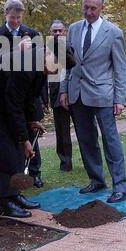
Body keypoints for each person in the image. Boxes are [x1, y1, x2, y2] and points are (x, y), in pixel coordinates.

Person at [0, 39, 74, 218]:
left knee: (13, 148)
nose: (57, 71)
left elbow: (29, 98)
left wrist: (32, 121)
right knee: (5, 148)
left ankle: (14, 195)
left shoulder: (39, 65)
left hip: (2, 101)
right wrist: (24, 139)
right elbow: (14, 104)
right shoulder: (25, 65)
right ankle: (6, 204)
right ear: (49, 55)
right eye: (57, 65)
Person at [60, 0, 126, 203]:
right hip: (77, 93)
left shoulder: (113, 32)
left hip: (104, 94)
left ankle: (121, 186)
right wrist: (63, 89)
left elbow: (121, 68)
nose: (88, 12)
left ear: (101, 8)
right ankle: (97, 179)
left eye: (93, 8)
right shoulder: (73, 29)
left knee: (110, 140)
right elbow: (67, 63)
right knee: (86, 139)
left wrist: (119, 98)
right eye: (86, 7)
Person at [0, 0, 44, 188]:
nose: (16, 22)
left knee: (31, 134)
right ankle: (16, 172)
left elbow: (41, 63)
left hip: (28, 93)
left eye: (19, 18)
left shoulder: (31, 33)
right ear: (6, 15)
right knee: (14, 135)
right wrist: (16, 51)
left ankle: (34, 172)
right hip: (7, 93)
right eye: (13, 18)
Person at [49, 20, 74, 172]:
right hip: (56, 95)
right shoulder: (48, 51)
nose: (58, 33)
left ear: (65, 32)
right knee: (61, 131)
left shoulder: (72, 47)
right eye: (55, 31)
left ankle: (89, 161)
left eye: (60, 31)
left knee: (84, 130)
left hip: (75, 93)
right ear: (51, 33)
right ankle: (65, 163)